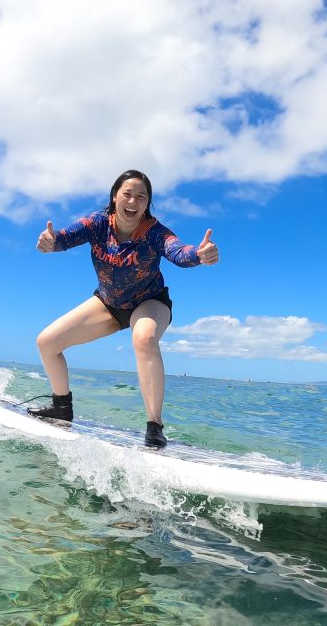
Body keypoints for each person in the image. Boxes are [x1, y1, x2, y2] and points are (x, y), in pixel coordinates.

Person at [32, 169, 219, 447]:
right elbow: (64, 238)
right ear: (115, 197)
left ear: (147, 204)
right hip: (108, 304)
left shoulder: (155, 232)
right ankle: (62, 408)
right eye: (127, 194)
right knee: (47, 342)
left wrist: (200, 255)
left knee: (143, 337)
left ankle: (154, 427)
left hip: (149, 302)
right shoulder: (97, 223)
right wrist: (51, 242)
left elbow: (179, 252)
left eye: (141, 197)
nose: (133, 201)